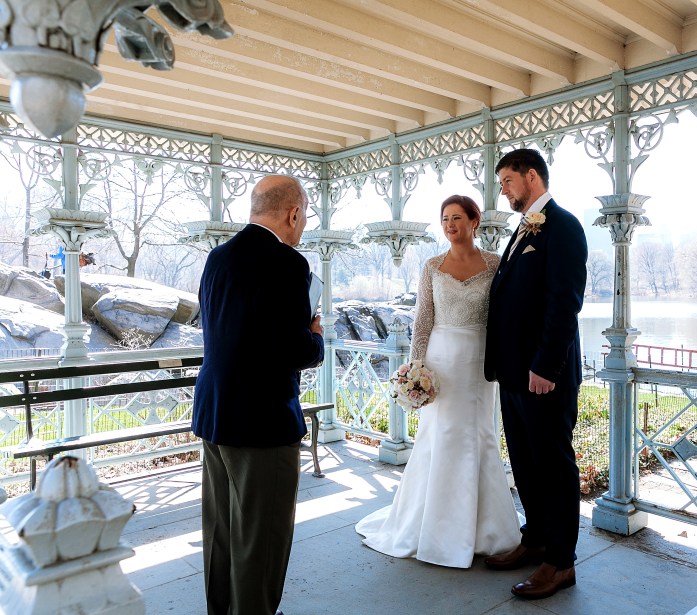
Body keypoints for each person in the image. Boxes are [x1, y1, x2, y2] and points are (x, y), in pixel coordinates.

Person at [355, 194, 522, 568]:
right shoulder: (432, 265)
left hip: (480, 360)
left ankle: (486, 528)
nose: (450, 224)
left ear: (475, 221)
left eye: (457, 217)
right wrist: (415, 368)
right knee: (440, 435)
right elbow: (423, 319)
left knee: (479, 434)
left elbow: (507, 314)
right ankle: (430, 525)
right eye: (445, 218)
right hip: (441, 360)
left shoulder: (495, 264)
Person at [192, 174, 325, 615]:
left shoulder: (217, 258)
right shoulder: (289, 265)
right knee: (261, 540)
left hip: (215, 413)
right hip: (263, 420)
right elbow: (293, 350)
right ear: (292, 213)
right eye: (304, 215)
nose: (303, 224)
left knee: (222, 532)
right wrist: (317, 336)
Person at [484, 149, 588, 599]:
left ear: (531, 177)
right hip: (514, 375)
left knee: (553, 465)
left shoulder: (562, 227)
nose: (503, 189)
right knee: (525, 462)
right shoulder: (523, 228)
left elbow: (565, 301)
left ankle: (561, 562)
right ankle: (537, 538)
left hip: (544, 375)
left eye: (507, 180)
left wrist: (545, 366)